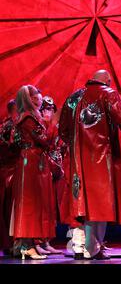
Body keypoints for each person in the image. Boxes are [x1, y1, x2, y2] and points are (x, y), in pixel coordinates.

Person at [59, 70, 121, 260]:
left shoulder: (73, 98)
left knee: (81, 203)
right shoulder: (108, 93)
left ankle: (79, 247)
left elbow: (62, 130)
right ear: (108, 81)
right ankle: (93, 247)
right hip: (101, 156)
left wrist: (75, 145)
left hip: (78, 158)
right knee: (100, 202)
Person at [10, 85, 54, 259]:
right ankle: (26, 246)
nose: (40, 98)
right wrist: (51, 123)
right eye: (36, 96)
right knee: (29, 204)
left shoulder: (30, 117)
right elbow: (44, 140)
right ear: (29, 99)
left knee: (33, 204)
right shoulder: (29, 118)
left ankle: (29, 244)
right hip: (30, 163)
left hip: (33, 161)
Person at [33, 96, 64, 255]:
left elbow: (59, 144)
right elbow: (45, 143)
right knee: (42, 205)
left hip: (53, 169)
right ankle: (38, 240)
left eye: (51, 109)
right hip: (42, 167)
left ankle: (46, 240)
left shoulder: (53, 125)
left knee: (51, 207)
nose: (49, 112)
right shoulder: (42, 125)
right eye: (46, 109)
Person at [0, 100, 18, 255]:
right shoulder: (10, 126)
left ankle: (10, 243)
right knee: (9, 209)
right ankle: (10, 244)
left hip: (8, 170)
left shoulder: (7, 124)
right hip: (9, 172)